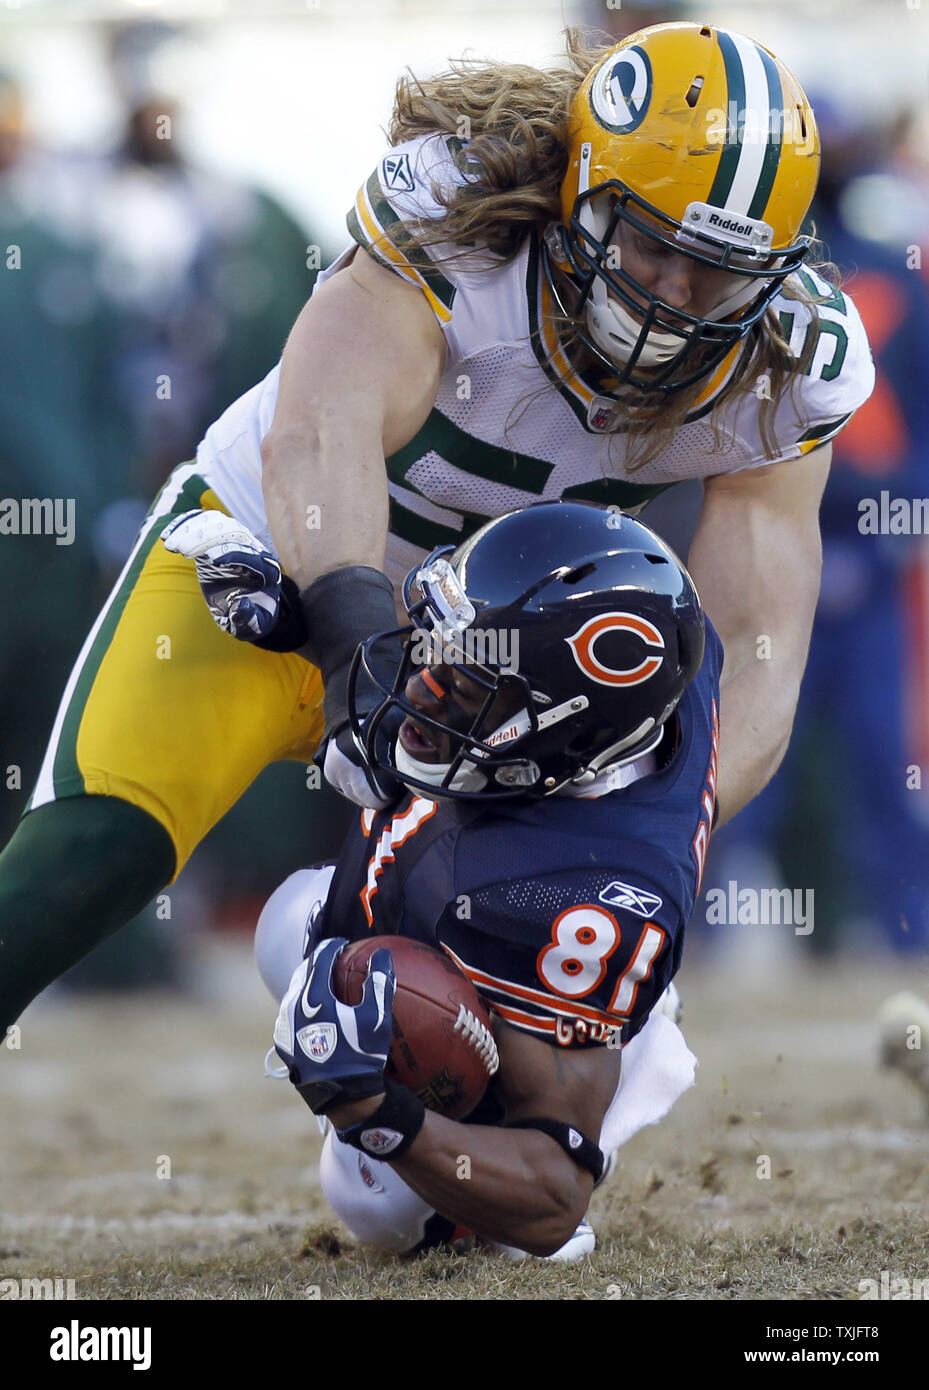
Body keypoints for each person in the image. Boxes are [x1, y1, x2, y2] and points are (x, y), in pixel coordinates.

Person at [0, 22, 874, 1035]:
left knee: (518, 1007)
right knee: (95, 850)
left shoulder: (784, 366)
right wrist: (355, 637)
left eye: (714, 273)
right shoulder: (462, 220)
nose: (675, 299)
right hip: (276, 570)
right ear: (578, 195)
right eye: (650, 246)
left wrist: (656, 820)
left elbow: (753, 651)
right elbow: (319, 435)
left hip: (501, 667)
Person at [255, 501, 719, 1258]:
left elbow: (553, 1201)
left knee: (375, 1204)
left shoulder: (559, 901)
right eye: (440, 657)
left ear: (565, 729)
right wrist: (305, 625)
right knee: (298, 921)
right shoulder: (644, 685)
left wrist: (373, 1109)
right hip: (504, 864)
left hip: (552, 997)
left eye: (462, 688)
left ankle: (463, 1202)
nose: (426, 687)